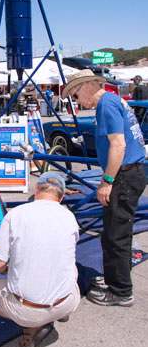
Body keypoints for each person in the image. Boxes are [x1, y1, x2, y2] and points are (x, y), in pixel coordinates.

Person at [62, 69, 146, 307]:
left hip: (124, 176)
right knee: (114, 233)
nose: (77, 102)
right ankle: (115, 280)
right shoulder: (113, 100)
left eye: (75, 95)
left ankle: (121, 291)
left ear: (86, 86)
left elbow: (118, 146)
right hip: (130, 174)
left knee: (115, 236)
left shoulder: (106, 105)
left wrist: (106, 182)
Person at [0, 172, 80, 347]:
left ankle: (30, 328)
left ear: (36, 189)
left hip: (29, 312)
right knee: (71, 266)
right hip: (69, 302)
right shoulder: (69, 217)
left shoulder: (16, 214)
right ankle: (61, 313)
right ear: (62, 197)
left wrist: (8, 269)